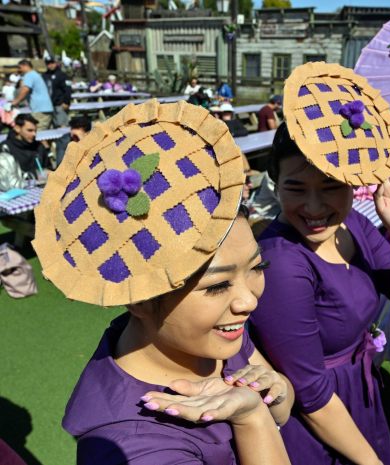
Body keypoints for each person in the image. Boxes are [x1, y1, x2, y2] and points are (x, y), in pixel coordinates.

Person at [32, 100, 293, 465]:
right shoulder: (134, 446)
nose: (248, 300)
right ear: (139, 298)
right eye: (217, 285)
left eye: (256, 265)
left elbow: (279, 401)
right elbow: (268, 416)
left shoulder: (209, 332)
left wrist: (277, 394)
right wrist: (252, 418)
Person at [249, 62, 390, 465]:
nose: (314, 208)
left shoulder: (351, 225)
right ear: (275, 184)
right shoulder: (282, 263)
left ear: (352, 184)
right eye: (295, 188)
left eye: (331, 187)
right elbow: (310, 391)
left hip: (358, 394)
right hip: (316, 421)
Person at [11, 59, 54, 130]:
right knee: (46, 135)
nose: (19, 70)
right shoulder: (34, 74)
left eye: (20, 67)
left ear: (25, 66)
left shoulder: (29, 75)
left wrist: (16, 101)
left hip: (40, 110)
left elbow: (25, 90)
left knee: (38, 134)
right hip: (45, 108)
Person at [43, 57, 72, 127]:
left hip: (59, 104)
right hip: (48, 106)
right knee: (51, 127)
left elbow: (68, 89)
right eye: (48, 64)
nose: (51, 65)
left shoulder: (62, 75)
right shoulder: (44, 76)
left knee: (62, 126)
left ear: (56, 63)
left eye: (52, 63)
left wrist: (66, 102)